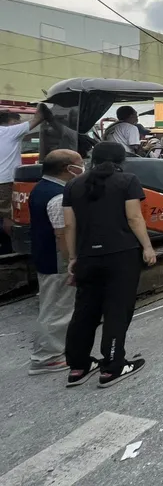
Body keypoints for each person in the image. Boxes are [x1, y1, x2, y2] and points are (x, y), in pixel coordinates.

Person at [63, 141, 155, 388]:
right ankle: (113, 365)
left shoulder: (73, 185)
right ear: (121, 160)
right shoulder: (128, 180)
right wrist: (147, 247)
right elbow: (134, 217)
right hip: (122, 254)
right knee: (117, 309)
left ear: (92, 159)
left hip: (86, 256)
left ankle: (78, 366)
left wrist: (73, 258)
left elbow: (69, 225)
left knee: (85, 310)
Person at [27, 149, 84, 375]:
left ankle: (55, 350)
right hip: (57, 259)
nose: (83, 167)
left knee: (54, 304)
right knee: (57, 308)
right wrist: (71, 261)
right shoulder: (58, 196)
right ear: (68, 168)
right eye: (80, 163)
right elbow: (62, 233)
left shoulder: (40, 188)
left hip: (44, 255)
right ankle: (47, 357)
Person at [0, 106, 48, 235]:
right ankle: (13, 241)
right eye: (17, 123)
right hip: (5, 182)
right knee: (9, 217)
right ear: (10, 122)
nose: (20, 125)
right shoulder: (8, 131)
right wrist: (42, 105)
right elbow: (38, 118)